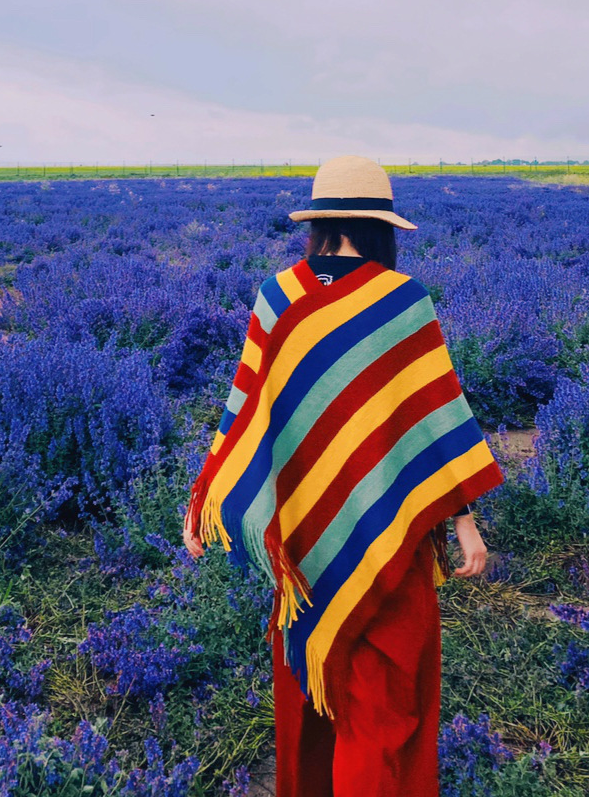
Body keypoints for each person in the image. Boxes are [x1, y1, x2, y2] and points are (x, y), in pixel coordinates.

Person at [183, 155, 505, 796]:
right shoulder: (402, 300)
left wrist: (202, 504)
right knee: (383, 712)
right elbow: (432, 424)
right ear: (384, 227)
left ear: (321, 223)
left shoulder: (279, 296)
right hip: (390, 538)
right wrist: (464, 523)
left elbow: (242, 411)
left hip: (303, 548)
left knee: (309, 701)